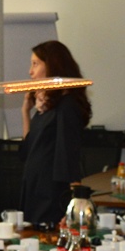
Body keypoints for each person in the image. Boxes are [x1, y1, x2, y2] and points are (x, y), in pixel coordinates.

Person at [19, 40, 92, 226]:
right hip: (34, 187)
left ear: (52, 66)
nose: (30, 71)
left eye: (35, 64)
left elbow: (68, 156)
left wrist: (74, 203)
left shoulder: (66, 106)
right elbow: (28, 149)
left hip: (51, 194)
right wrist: (25, 112)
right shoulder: (46, 107)